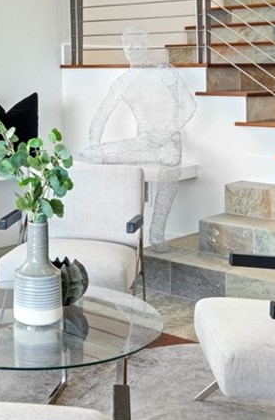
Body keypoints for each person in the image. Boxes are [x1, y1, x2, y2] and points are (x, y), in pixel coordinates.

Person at [79, 26, 196, 252]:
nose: (132, 48)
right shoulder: (124, 82)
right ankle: (105, 225)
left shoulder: (165, 72)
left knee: (169, 164)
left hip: (169, 144)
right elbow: (99, 118)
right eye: (128, 44)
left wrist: (167, 131)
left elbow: (189, 105)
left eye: (137, 43)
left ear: (146, 44)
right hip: (142, 144)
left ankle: (157, 232)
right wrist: (95, 146)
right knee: (90, 154)